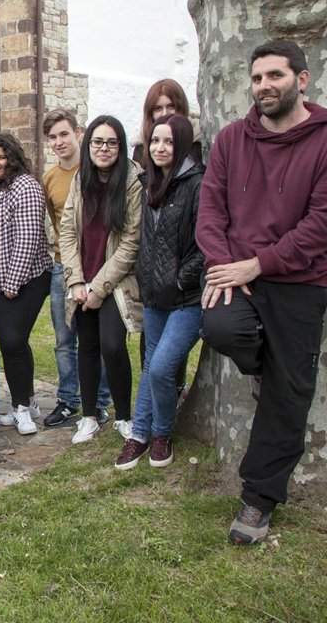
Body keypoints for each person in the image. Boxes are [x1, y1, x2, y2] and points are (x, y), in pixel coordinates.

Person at [197, 40, 327, 546]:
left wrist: (258, 263)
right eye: (257, 77)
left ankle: (258, 499)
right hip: (237, 274)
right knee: (220, 328)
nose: (264, 86)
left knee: (289, 395)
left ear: (301, 80)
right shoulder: (231, 139)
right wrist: (224, 265)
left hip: (300, 281)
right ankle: (267, 365)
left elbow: (324, 225)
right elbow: (210, 211)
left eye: (275, 76)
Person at [116, 114, 204, 471]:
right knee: (151, 364)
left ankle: (162, 434)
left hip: (187, 299)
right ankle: (139, 434)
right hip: (154, 297)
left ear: (181, 145)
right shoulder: (148, 183)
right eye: (155, 141)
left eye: (168, 141)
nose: (160, 148)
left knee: (162, 368)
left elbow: (207, 244)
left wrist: (182, 280)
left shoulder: (197, 184)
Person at [59, 115, 143, 446]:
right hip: (82, 279)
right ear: (88, 144)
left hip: (116, 282)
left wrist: (98, 287)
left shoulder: (132, 182)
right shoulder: (81, 179)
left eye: (111, 142)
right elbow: (67, 232)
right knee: (88, 347)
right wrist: (76, 281)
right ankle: (89, 417)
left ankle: (124, 416)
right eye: (97, 142)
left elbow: (131, 243)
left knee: (112, 345)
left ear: (120, 147)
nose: (103, 148)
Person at [0, 133, 53, 435]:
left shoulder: (25, 186)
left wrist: (13, 282)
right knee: (14, 343)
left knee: (11, 341)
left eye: (0, 157)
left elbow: (28, 238)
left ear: (12, 158)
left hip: (25, 278)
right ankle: (28, 401)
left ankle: (21, 409)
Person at [40, 110, 109, 429]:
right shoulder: (49, 179)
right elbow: (57, 227)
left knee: (98, 337)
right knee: (64, 338)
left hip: (98, 265)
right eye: (52, 137)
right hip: (62, 267)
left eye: (64, 134)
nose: (59, 142)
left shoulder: (96, 169)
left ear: (78, 133)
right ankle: (68, 399)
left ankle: (101, 401)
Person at [131, 78, 202, 168]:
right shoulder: (142, 145)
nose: (165, 114)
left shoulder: (197, 139)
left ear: (181, 108)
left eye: (171, 106)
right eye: (158, 108)